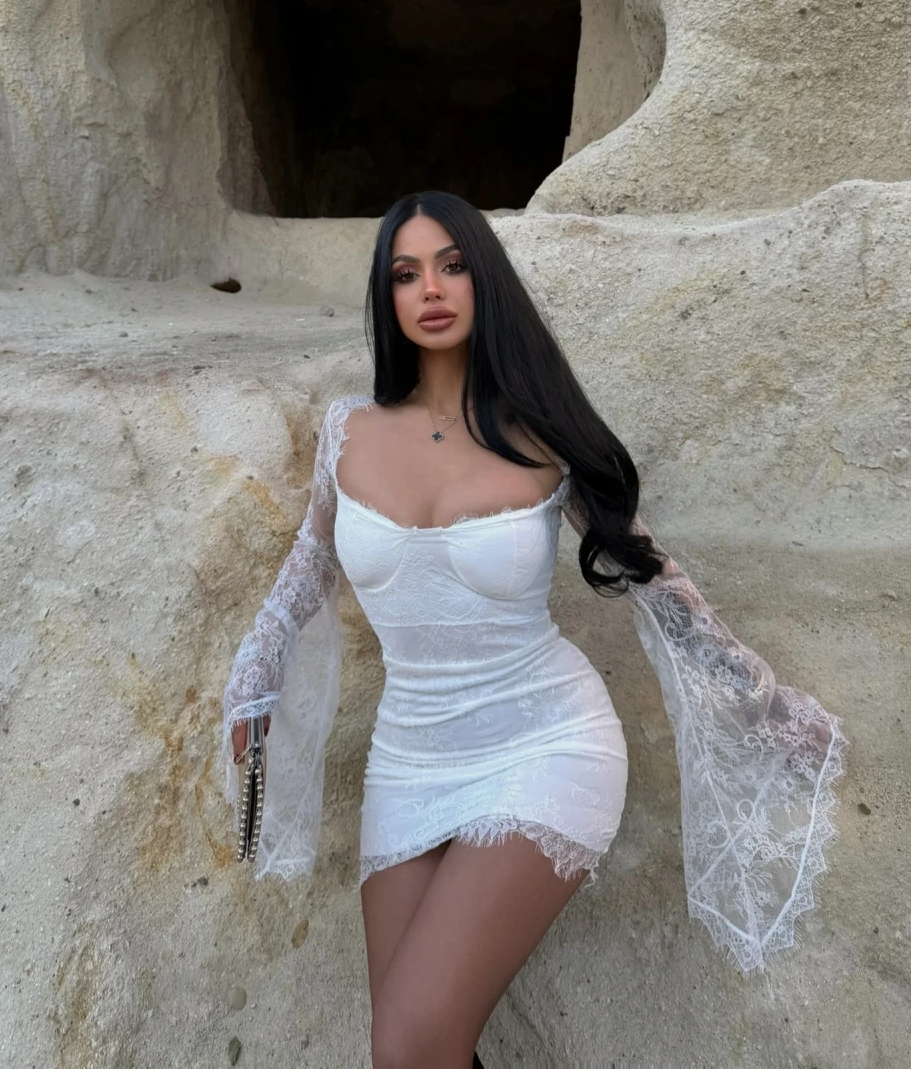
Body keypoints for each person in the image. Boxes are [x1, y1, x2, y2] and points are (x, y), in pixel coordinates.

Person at [223, 191, 847, 1068]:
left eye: (452, 265)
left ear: (484, 280)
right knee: (406, 1051)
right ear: (385, 296)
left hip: (543, 742)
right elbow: (309, 565)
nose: (430, 288)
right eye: (405, 273)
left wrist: (759, 700)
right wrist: (255, 675)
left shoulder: (541, 432)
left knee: (410, 1041)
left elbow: (650, 574)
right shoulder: (347, 431)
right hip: (408, 760)